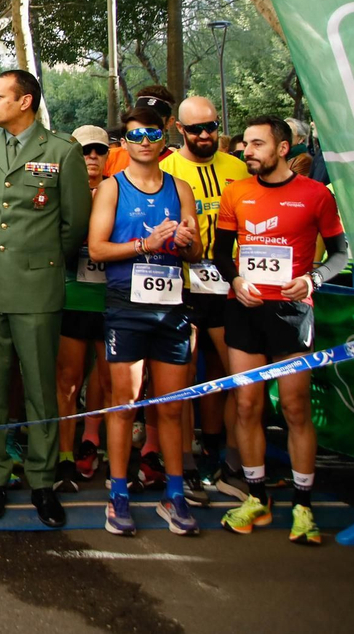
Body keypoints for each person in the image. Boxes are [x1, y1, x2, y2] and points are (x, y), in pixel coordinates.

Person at [0, 70, 90, 527]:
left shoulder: (62, 151)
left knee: (39, 390)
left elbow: (73, 225)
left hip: (37, 288)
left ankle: (41, 481)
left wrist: (39, 263)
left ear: (26, 102)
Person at [215, 116, 348, 545]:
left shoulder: (315, 195)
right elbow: (220, 254)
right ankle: (256, 498)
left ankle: (304, 506)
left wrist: (313, 281)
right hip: (245, 311)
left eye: (256, 144)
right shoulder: (236, 192)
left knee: (294, 409)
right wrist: (234, 280)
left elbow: (342, 254)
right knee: (247, 405)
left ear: (283, 148)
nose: (246, 151)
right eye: (245, 145)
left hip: (291, 312)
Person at [88, 106, 204, 536]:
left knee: (170, 407)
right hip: (126, 304)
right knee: (124, 402)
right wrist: (144, 243)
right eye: (134, 135)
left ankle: (174, 495)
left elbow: (195, 252)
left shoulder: (180, 187)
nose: (143, 142)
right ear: (125, 141)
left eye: (151, 134)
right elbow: (97, 249)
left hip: (171, 304)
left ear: (164, 137)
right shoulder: (111, 188)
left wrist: (188, 243)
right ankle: (118, 493)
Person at [161, 95, 249, 498]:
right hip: (179, 281)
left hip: (228, 282)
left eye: (211, 126)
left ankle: (229, 456)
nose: (204, 135)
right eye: (195, 129)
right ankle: (185, 463)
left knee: (231, 373)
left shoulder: (237, 168)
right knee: (180, 374)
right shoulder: (166, 169)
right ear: (180, 129)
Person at [56, 125, 112, 488]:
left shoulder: (120, 190)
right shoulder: (62, 191)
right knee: (68, 381)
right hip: (72, 297)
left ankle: (92, 442)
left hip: (112, 300)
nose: (91, 157)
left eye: (98, 151)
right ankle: (64, 455)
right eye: (84, 151)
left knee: (108, 381)